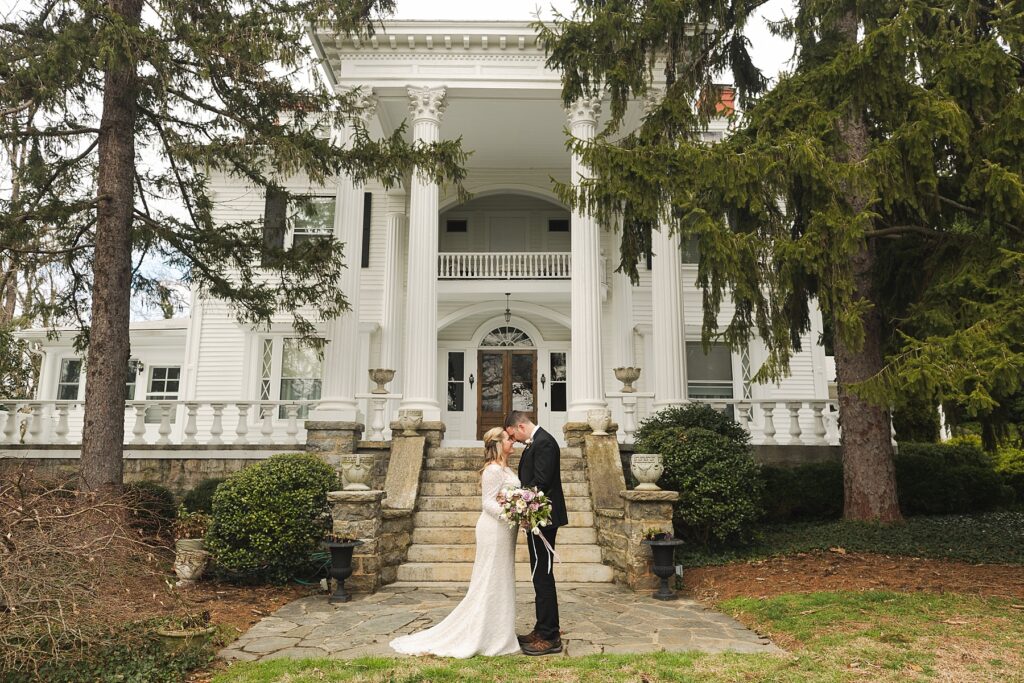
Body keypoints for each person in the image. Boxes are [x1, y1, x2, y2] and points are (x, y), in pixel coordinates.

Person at [389, 426, 521, 658]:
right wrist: (514, 514)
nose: (513, 442)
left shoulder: (506, 469)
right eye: (509, 439)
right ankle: (484, 634)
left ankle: (499, 632)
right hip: (494, 530)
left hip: (506, 530)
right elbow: (488, 504)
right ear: (498, 443)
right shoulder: (492, 470)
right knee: (490, 578)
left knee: (502, 578)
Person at [504, 410, 568, 656]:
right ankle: (542, 628)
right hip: (536, 517)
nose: (516, 441)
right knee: (538, 573)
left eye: (513, 435)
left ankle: (550, 635)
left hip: (544, 518)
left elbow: (540, 483)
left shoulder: (545, 443)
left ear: (520, 426)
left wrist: (520, 502)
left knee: (543, 574)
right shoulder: (537, 442)